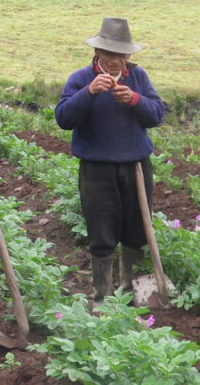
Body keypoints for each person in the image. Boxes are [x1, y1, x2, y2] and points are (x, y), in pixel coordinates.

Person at [54, 17, 165, 303]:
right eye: (110, 53)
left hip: (136, 166)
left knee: (137, 229)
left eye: (121, 54)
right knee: (101, 231)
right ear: (97, 53)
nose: (115, 60)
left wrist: (135, 100)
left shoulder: (138, 77)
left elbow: (156, 115)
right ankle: (102, 294)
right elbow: (63, 119)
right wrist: (89, 93)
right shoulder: (80, 79)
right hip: (96, 168)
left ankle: (131, 291)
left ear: (128, 55)